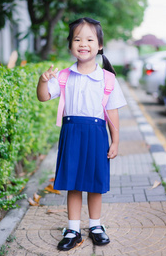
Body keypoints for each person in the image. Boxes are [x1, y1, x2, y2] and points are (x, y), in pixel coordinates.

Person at [37, 17, 127, 251]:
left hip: (97, 135)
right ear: (70, 45)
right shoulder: (65, 76)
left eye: (89, 39)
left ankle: (96, 226)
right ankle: (73, 228)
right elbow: (44, 96)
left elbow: (112, 113)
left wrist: (115, 141)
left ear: (99, 46)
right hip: (72, 134)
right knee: (73, 184)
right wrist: (42, 81)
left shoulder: (107, 78)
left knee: (95, 183)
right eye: (77, 39)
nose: (83, 43)